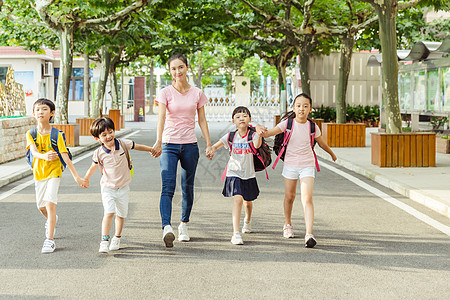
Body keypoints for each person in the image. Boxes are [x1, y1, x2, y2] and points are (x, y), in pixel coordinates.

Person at [256, 93, 337, 248]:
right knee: (290, 197)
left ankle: (309, 234)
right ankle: (287, 224)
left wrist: (332, 153)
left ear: (310, 109)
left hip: (307, 165)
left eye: (305, 106)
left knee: (307, 198)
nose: (301, 109)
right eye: (298, 106)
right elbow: (268, 133)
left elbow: (322, 144)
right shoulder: (287, 124)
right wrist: (257, 128)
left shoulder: (313, 127)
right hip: (290, 165)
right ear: (293, 108)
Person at [152, 54, 214, 248]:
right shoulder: (165, 93)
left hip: (190, 146)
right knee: (168, 186)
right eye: (173, 69)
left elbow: (202, 120)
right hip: (169, 145)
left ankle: (184, 225)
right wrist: (158, 141)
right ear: (169, 71)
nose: (177, 72)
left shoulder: (197, 93)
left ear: (187, 67)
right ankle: (166, 227)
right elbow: (161, 117)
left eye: (181, 67)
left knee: (187, 187)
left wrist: (209, 144)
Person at [83, 117, 155, 253]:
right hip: (107, 188)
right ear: (97, 138)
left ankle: (117, 237)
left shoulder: (123, 144)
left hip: (123, 188)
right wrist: (85, 178)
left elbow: (137, 146)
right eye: (104, 135)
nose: (109, 136)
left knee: (121, 215)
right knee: (109, 212)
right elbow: (93, 167)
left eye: (111, 132)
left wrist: (151, 149)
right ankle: (104, 241)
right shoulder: (98, 153)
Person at [26, 98, 87, 254]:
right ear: (34, 113)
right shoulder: (31, 133)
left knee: (50, 204)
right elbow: (33, 152)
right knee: (41, 206)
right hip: (39, 173)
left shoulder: (57, 134)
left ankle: (50, 240)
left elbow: (65, 156)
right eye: (38, 109)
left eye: (44, 109)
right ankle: (51, 220)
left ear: (52, 113)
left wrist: (77, 177)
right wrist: (44, 156)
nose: (41, 112)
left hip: (55, 172)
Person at [210, 106, 261, 245]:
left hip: (248, 174)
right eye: (238, 117)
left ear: (249, 119)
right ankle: (236, 232)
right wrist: (211, 149)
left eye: (244, 116)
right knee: (238, 199)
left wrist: (258, 132)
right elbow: (217, 145)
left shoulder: (253, 135)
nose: (241, 118)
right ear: (233, 121)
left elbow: (256, 145)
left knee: (248, 201)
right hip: (233, 172)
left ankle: (247, 221)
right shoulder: (231, 136)